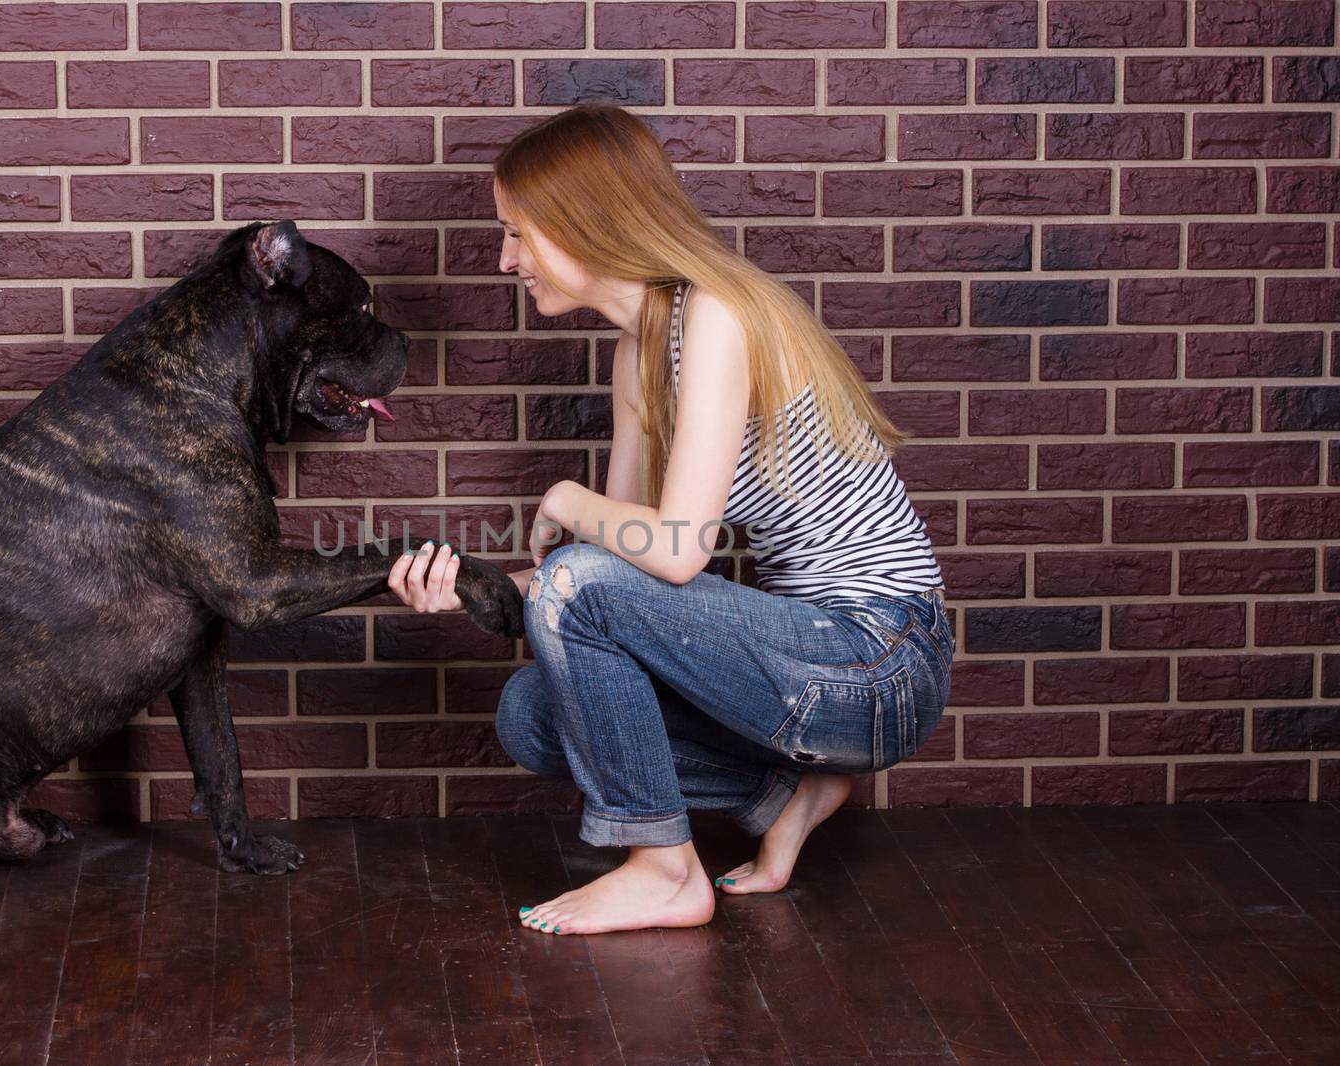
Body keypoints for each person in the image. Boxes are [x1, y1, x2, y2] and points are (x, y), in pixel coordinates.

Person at [386, 103, 953, 936]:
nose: (506, 259)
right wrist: (471, 590)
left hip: (881, 660)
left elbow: (676, 554)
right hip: (808, 668)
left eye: (517, 233)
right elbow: (611, 580)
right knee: (532, 714)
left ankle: (661, 869)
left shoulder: (717, 315)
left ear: (585, 225)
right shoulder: (639, 352)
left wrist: (565, 499)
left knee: (580, 580)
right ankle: (784, 792)